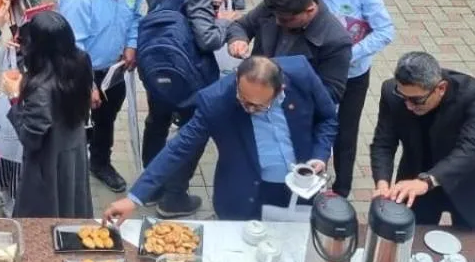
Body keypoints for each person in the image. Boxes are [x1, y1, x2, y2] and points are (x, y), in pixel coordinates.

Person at [102, 54, 336, 225]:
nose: (247, 108)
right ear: (237, 79)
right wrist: (135, 198)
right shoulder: (215, 100)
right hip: (246, 198)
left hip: (299, 194)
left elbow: (328, 119)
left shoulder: (302, 73)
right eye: (243, 99)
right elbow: (179, 148)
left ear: (280, 90)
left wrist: (320, 154)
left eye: (257, 105)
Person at [140, 0, 232, 217]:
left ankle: (150, 186)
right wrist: (223, 24)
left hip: (155, 61)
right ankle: (174, 196)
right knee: (195, 129)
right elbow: (206, 39)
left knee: (157, 120)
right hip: (189, 70)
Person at [369, 52, 475, 229]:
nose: (408, 105)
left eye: (417, 100)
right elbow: (384, 142)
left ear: (441, 88)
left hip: (467, 182)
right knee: (414, 238)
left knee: (469, 243)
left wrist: (428, 181)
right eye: (403, 97)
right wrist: (382, 182)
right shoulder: (390, 92)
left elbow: (473, 148)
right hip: (415, 180)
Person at [311, 0, 395, 197]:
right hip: (314, 74)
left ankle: (342, 188)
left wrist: (348, 54)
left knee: (346, 132)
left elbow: (385, 31)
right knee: (312, 127)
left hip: (353, 75)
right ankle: (308, 182)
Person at [57, 0, 141, 194]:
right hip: (81, 73)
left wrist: (131, 44)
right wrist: (88, 84)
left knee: (107, 119)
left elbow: (136, 17)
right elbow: (73, 45)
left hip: (113, 72)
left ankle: (100, 163)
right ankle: (67, 172)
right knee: (76, 125)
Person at [6, 10, 93, 218]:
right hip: (73, 150)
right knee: (73, 206)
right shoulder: (81, 62)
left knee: (43, 218)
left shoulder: (40, 88)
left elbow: (30, 138)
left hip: (49, 162)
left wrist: (14, 98)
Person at [225, 0, 353, 100]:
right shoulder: (276, 7)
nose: (277, 22)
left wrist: (280, 88)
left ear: (309, 10)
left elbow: (332, 93)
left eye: (285, 20)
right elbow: (242, 26)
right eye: (275, 16)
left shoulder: (336, 41)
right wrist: (238, 40)